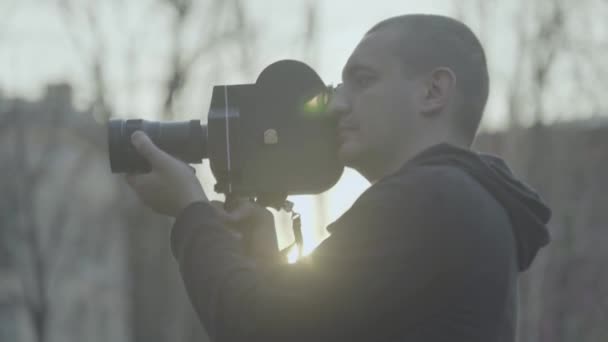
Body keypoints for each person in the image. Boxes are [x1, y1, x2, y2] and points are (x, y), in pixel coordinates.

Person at [126, 14, 551, 342]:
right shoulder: (463, 202)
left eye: (363, 81)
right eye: (338, 86)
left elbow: (256, 330)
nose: (335, 106)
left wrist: (189, 212)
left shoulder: (426, 199)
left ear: (433, 92)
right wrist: (265, 259)